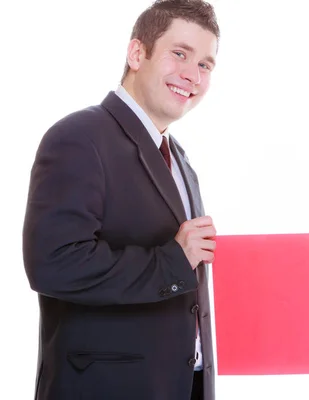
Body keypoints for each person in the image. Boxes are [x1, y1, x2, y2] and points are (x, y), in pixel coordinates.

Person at [22, 1, 220, 399]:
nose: (192, 74)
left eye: (205, 65)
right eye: (179, 54)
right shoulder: (78, 137)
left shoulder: (181, 160)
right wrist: (173, 262)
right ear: (136, 53)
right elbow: (53, 264)